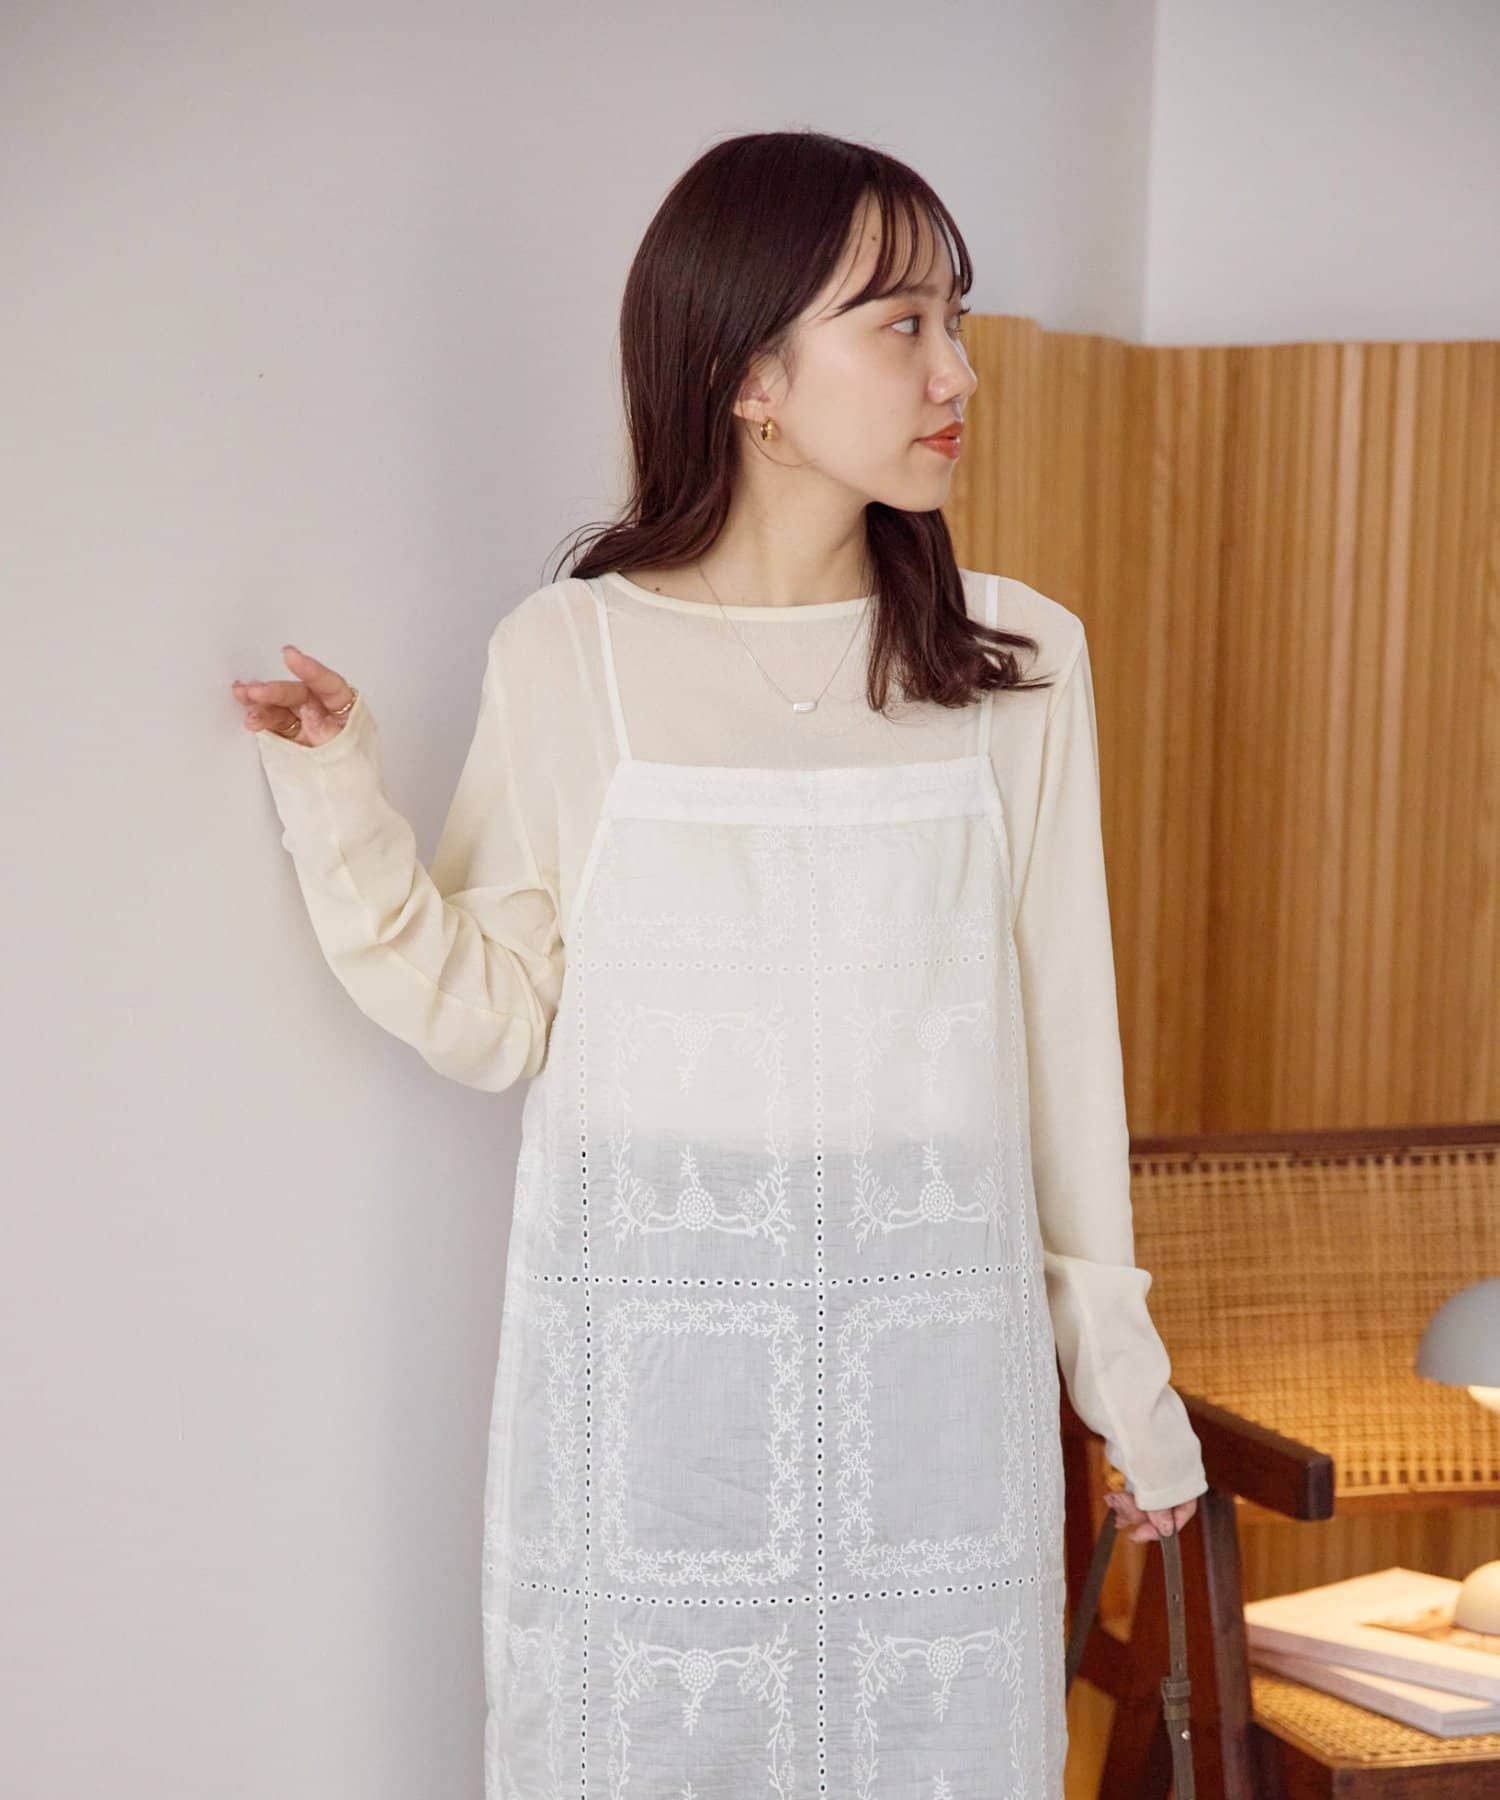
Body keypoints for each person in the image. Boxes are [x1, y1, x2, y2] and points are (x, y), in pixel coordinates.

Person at [232, 130, 1204, 1799]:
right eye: (902, 326)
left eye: (956, 321)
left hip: (933, 1413)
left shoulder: (1020, 663)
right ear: (752, 376)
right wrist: (339, 796)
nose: (957, 373)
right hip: (658, 1421)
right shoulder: (575, 655)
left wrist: (1127, 1389)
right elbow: (498, 1016)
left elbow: (1065, 1050)